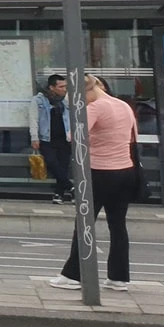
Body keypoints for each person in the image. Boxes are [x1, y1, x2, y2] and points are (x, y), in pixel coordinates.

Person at [51, 73, 140, 292]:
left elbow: (75, 136)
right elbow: (132, 136)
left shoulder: (95, 108)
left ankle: (73, 275)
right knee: (118, 225)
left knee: (84, 223)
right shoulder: (123, 106)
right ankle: (119, 278)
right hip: (125, 171)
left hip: (100, 172)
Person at [30, 74, 72, 203]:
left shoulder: (67, 100)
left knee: (63, 166)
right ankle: (71, 187)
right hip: (46, 138)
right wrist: (34, 137)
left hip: (65, 138)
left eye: (65, 86)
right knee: (53, 163)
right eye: (61, 86)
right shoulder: (39, 100)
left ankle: (58, 194)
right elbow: (33, 119)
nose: (64, 89)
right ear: (52, 87)